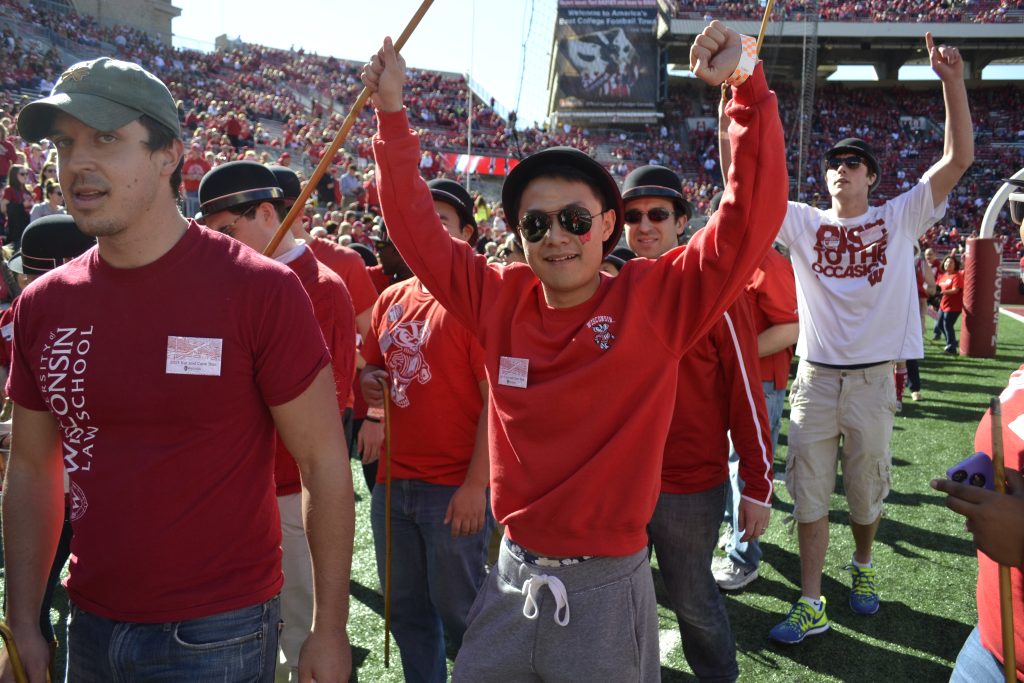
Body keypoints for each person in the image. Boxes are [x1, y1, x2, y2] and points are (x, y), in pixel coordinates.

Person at [361, 20, 786, 681]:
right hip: (509, 577)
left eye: (575, 219)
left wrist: (743, 84)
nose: (556, 235)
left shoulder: (657, 299)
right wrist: (392, 116)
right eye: (536, 223)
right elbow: (418, 233)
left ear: (607, 225)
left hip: (604, 594)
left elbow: (750, 216)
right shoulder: (498, 297)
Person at [0, 57, 353, 682]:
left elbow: (324, 464)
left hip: (218, 632)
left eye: (106, 138)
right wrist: (23, 619)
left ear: (170, 156)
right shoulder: (44, 303)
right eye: (64, 143)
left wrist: (327, 630)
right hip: (88, 621)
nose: (77, 162)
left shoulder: (259, 290)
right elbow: (31, 467)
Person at [762, 33, 973, 644]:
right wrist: (736, 115)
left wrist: (952, 82)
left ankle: (862, 565)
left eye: (851, 163)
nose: (839, 169)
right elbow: (750, 193)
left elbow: (957, 161)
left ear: (872, 178)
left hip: (875, 380)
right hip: (815, 378)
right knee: (805, 493)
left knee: (864, 493)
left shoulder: (899, 215)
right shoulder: (803, 222)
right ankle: (810, 599)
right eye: (833, 162)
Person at [196, 160, 357, 683]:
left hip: (291, 490)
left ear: (268, 214)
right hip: (233, 488)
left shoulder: (323, 288)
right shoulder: (227, 280)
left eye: (228, 230)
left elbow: (321, 413)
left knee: (301, 634)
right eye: (211, 234)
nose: (220, 244)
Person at [622, 164, 773, 682]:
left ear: (682, 220)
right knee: (618, 594)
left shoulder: (714, 291)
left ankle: (718, 675)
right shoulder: (608, 287)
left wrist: (756, 484)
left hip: (687, 484)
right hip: (618, 485)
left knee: (690, 597)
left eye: (657, 214)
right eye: (633, 215)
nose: (644, 225)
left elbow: (746, 394)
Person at [359, 178, 494, 683]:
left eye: (441, 221)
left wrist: (476, 486)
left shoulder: (475, 303)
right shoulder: (391, 296)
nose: (428, 232)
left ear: (468, 234)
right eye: (421, 221)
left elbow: (494, 406)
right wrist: (370, 383)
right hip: (393, 485)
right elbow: (370, 367)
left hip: (452, 488)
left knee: (463, 613)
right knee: (405, 609)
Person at [0, 215, 95, 679]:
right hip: (54, 487)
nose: (24, 285)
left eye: (31, 275)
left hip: (76, 491)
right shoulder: (22, 316)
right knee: (35, 608)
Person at [936, 253, 964, 355]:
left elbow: (955, 290)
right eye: (947, 262)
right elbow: (937, 288)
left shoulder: (957, 276)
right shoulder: (943, 276)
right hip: (943, 305)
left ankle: (951, 347)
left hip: (953, 306)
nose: (948, 264)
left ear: (955, 264)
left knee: (947, 324)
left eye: (951, 262)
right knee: (939, 325)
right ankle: (952, 342)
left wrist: (942, 292)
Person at [1, 164, 34, 249]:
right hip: (16, 228)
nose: (25, 176)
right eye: (22, 174)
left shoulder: (28, 189)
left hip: (28, 223)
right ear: (14, 175)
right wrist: (22, 205)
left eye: (26, 173)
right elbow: (3, 208)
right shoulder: (9, 190)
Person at [180, 142, 210, 218]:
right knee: (191, 212)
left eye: (197, 151)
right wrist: (189, 177)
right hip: (190, 191)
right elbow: (181, 176)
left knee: (200, 212)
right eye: (194, 151)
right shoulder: (187, 162)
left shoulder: (205, 163)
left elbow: (209, 176)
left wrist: (202, 177)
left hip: (201, 191)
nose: (196, 153)